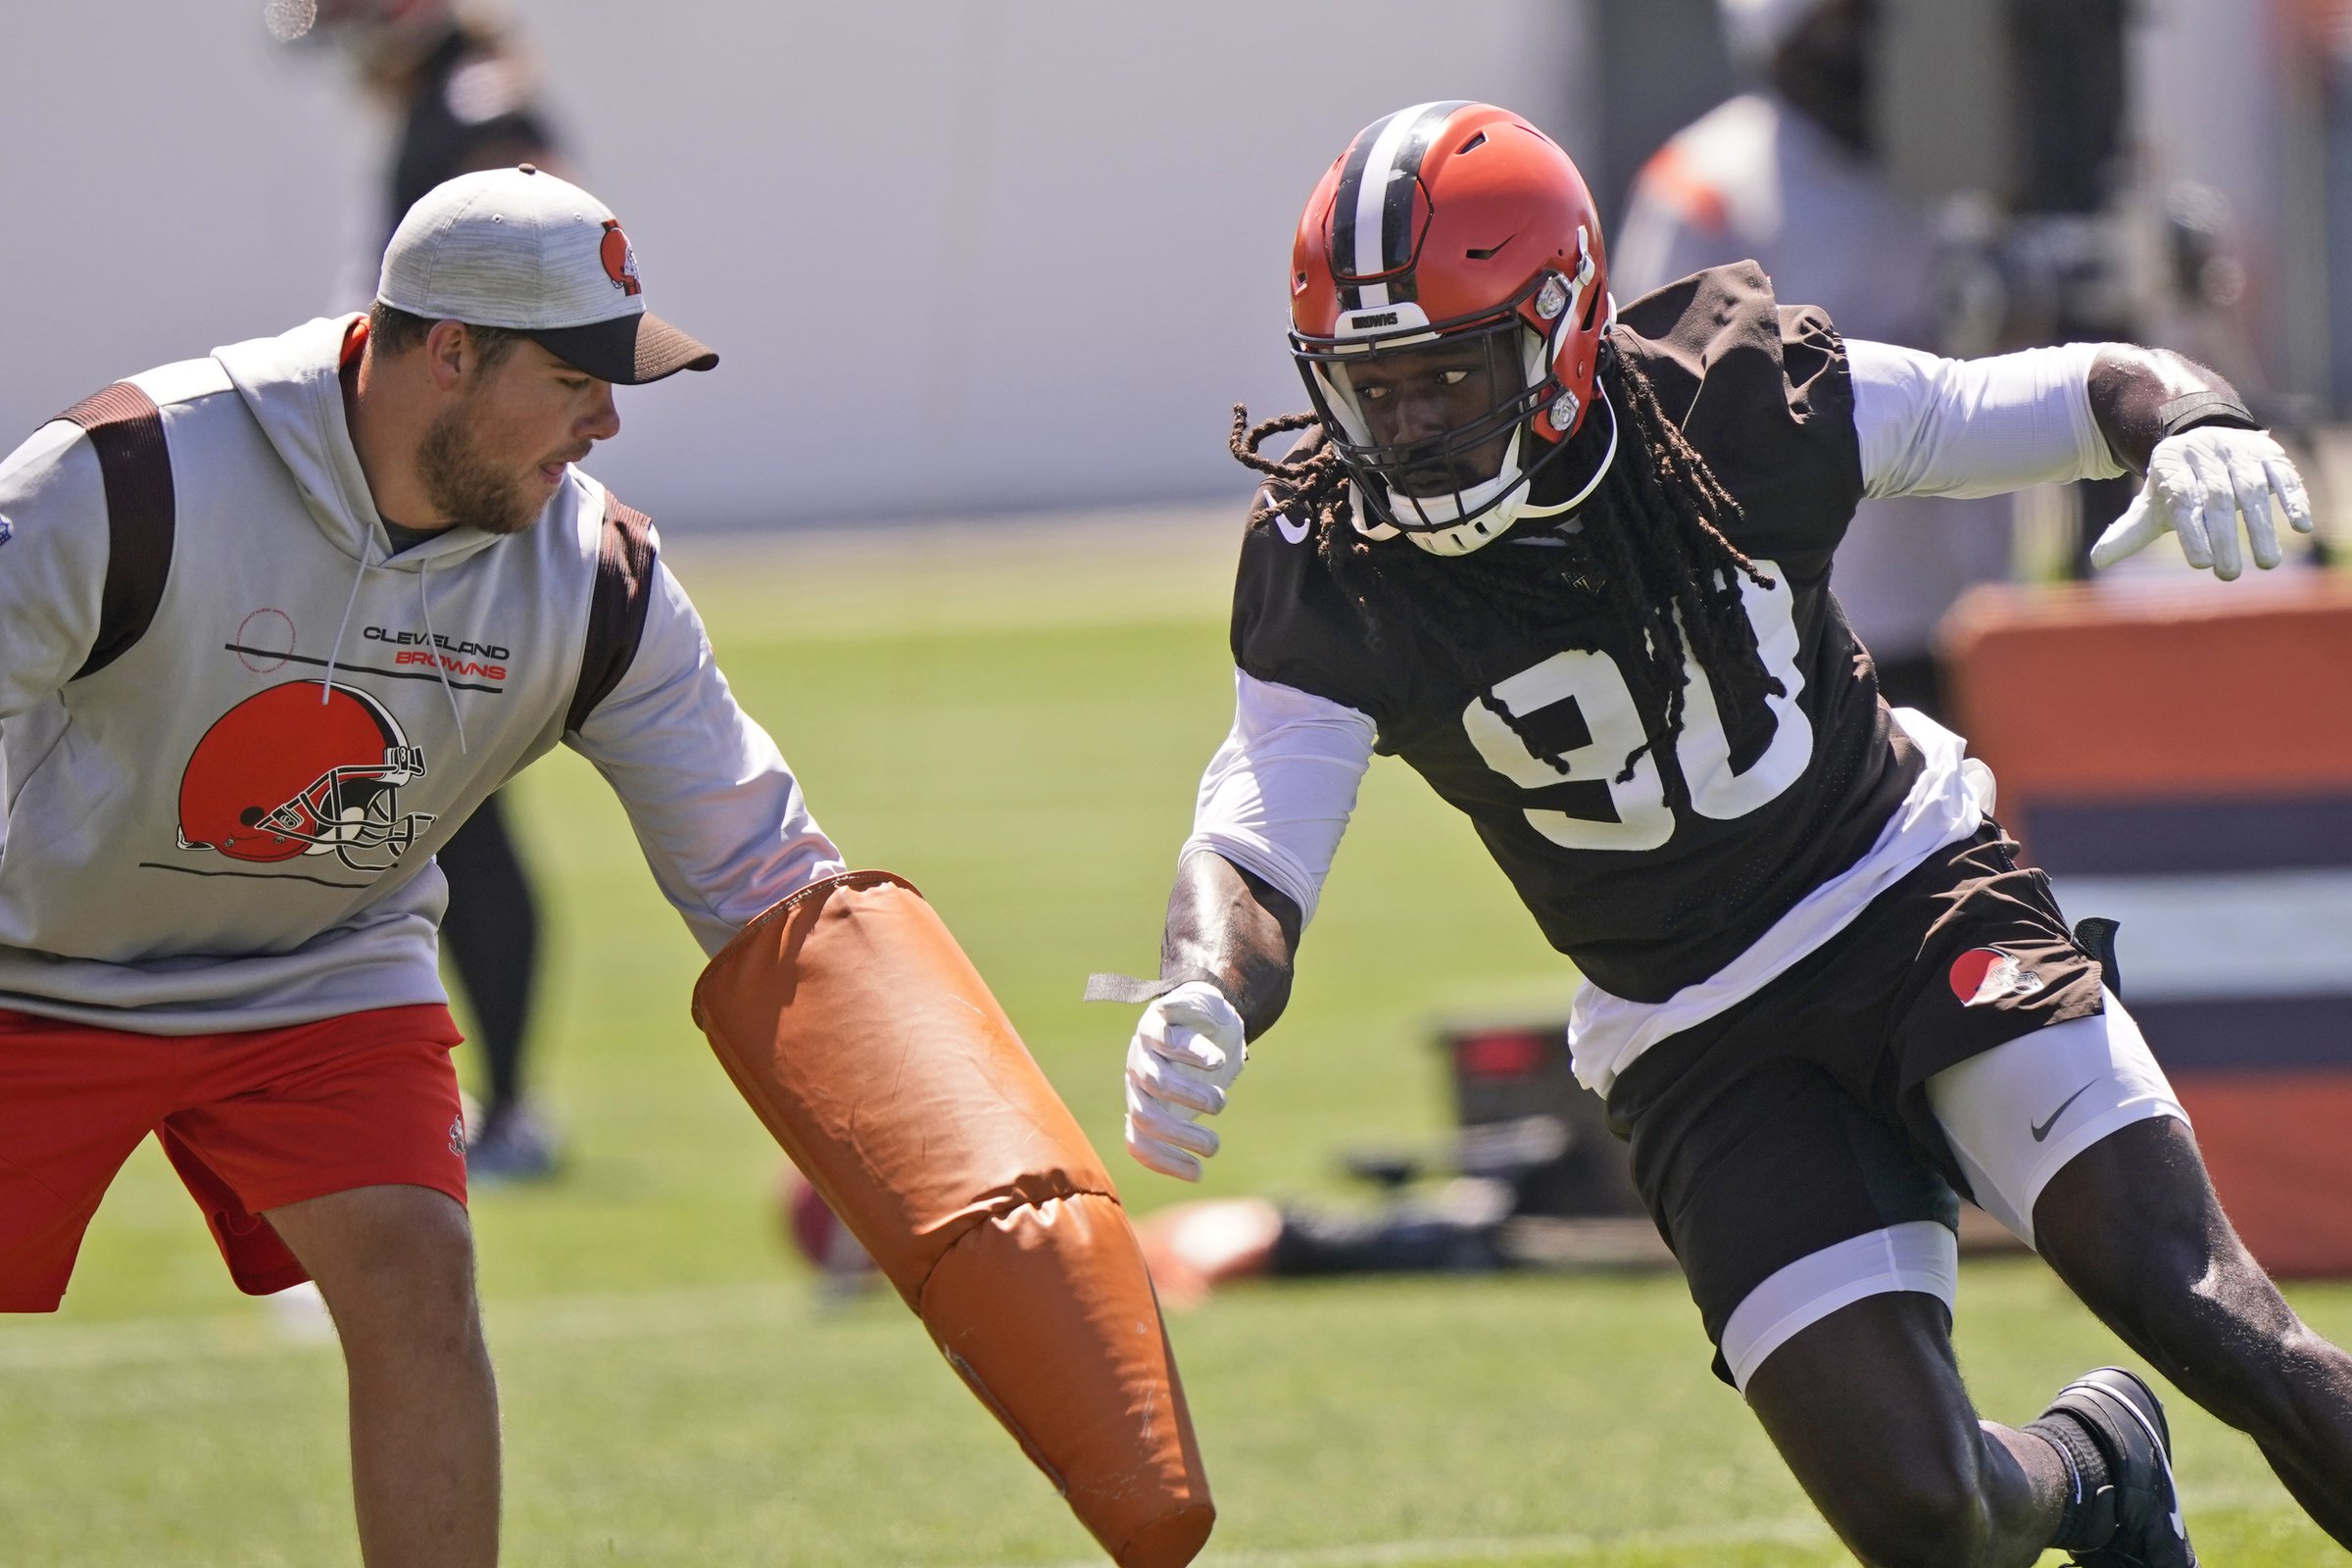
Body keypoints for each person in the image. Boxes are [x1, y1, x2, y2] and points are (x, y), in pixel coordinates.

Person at [1120, 101, 2352, 1566]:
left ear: (1566, 328)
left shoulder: (1734, 398)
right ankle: (2093, 1468)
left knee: (2197, 1302)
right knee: (1924, 1515)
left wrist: (2193, 415)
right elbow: (1259, 828)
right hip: (1690, 1022)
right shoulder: (1331, 567)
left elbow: (2057, 393)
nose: (1409, 431)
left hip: (1907, 899)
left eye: (1452, 377)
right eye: (1372, 389)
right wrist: (1206, 981)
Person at [0, 168, 837, 1567]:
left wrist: (944, 1132)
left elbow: (761, 873)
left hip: (322, 967)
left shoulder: (598, 576)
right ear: (448, 352)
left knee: (417, 1273)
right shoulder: (124, 475)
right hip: (30, 962)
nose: (609, 418)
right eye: (576, 375)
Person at [301, 0, 570, 1179]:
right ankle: (485, 1097)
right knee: (428, 799)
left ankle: (507, 1102)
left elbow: (560, 273)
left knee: (451, 802)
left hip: (459, 501)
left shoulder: (482, 106)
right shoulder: (441, 99)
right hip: (428, 490)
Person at [1611, 0, 2011, 717]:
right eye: (1839, 21)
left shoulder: (1963, 164)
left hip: (1973, 615)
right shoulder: (1708, 183)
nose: (1863, 44)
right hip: (1799, 630)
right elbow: (1651, 406)